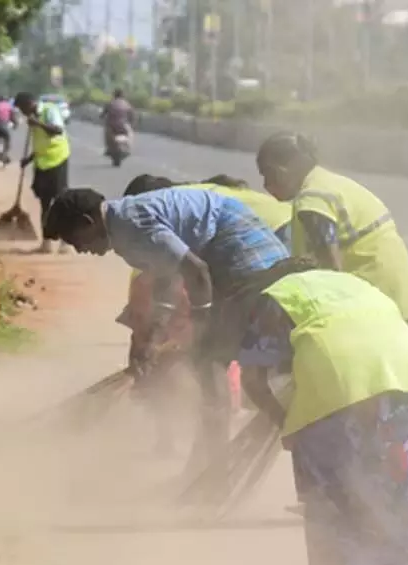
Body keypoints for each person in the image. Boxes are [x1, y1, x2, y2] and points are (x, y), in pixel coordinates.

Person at [233, 261, 408, 565]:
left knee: (331, 488)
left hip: (340, 382)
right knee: (375, 483)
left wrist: (285, 423)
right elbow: (376, 348)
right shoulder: (362, 289)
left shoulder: (278, 295)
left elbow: (252, 379)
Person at [44, 186, 291, 477]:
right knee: (208, 362)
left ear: (87, 222)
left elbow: (196, 271)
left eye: (74, 240)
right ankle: (207, 466)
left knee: (209, 360)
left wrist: (201, 321)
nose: (79, 249)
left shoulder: (132, 228)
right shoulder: (126, 230)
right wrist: (154, 337)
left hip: (249, 258)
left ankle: (212, 469)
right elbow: (167, 282)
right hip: (241, 257)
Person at [256, 132, 408, 331]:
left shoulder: (312, 201)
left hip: (376, 302)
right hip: (399, 293)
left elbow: (332, 271)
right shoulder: (330, 182)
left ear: (292, 166)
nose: (266, 185)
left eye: (269, 173)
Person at [15, 92, 72, 253]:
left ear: (29, 103)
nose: (23, 112)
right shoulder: (32, 117)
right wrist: (29, 159)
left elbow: (57, 130)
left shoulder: (49, 111)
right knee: (44, 202)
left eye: (22, 108)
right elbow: (40, 143)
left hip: (58, 159)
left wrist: (38, 123)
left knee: (60, 200)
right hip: (42, 163)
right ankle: (46, 242)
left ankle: (65, 241)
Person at [101, 88, 135, 155]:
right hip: (123, 125)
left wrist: (102, 117)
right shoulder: (126, 104)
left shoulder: (110, 103)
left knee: (107, 134)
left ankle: (108, 148)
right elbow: (132, 115)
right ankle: (128, 148)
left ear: (114, 95)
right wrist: (132, 123)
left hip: (112, 125)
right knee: (130, 133)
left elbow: (103, 114)